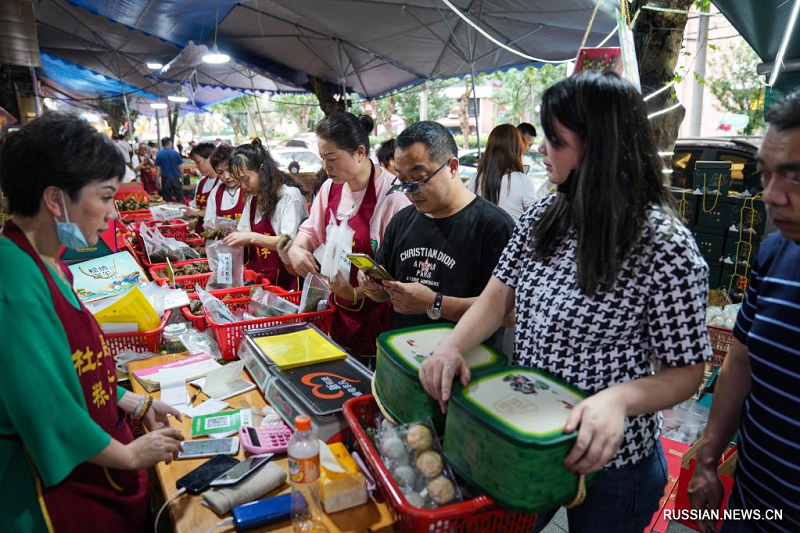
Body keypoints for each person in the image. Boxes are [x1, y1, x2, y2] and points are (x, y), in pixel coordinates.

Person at [419, 72, 710, 532]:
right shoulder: (544, 214)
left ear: (600, 145)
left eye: (554, 140)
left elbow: (688, 371)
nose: (539, 149)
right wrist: (452, 347)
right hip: (531, 438)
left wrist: (618, 400)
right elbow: (497, 298)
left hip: (612, 464)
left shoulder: (664, 245)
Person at [0, 112, 184, 532]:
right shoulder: (11, 281)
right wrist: (132, 456)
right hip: (48, 497)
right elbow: (46, 409)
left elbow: (73, 365)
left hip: (94, 470)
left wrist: (133, 401)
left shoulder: (51, 264)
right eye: (104, 197)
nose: (113, 214)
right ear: (55, 199)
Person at [687, 91, 800, 533]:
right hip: (753, 506)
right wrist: (709, 459)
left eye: (794, 177)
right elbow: (740, 359)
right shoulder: (774, 254)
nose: (770, 196)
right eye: (766, 175)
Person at [359, 121, 514, 340]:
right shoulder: (402, 221)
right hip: (405, 354)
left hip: (468, 362)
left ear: (452, 166)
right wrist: (374, 288)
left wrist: (436, 303)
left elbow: (512, 312)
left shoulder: (494, 227)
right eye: (403, 181)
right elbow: (385, 294)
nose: (411, 192)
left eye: (420, 179)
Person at [287, 113, 410, 360]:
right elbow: (310, 232)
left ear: (360, 153)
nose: (325, 166)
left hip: (377, 321)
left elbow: (397, 275)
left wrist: (354, 293)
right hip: (336, 313)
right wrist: (297, 250)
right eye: (322, 158)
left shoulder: (393, 197)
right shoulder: (330, 189)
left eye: (331, 158)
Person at [225, 139, 308, 291]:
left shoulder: (289, 196)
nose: (243, 186)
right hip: (264, 279)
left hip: (288, 281)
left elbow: (289, 242)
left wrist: (252, 237)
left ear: (262, 169)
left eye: (245, 179)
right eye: (239, 181)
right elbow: (242, 232)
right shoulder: (253, 197)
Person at [467, 124, 538, 223]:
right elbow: (534, 218)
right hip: (512, 237)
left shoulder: (475, 178)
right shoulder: (522, 180)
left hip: (483, 237)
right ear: (516, 149)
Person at [203, 143, 246, 227]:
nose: (226, 177)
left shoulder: (248, 189)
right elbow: (208, 222)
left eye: (229, 170)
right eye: (220, 172)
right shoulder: (216, 192)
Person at [188, 142, 219, 234]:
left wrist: (198, 213)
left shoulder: (223, 183)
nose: (196, 166)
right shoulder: (201, 182)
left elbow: (224, 214)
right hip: (200, 233)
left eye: (198, 162)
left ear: (210, 158)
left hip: (216, 236)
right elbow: (194, 206)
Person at [155, 137, 185, 204]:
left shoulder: (159, 155)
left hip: (165, 180)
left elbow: (158, 169)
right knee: (180, 198)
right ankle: (183, 211)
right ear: (169, 143)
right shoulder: (176, 153)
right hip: (176, 179)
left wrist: (157, 181)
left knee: (168, 200)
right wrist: (182, 177)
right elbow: (181, 167)